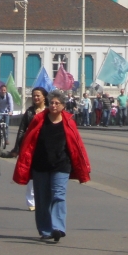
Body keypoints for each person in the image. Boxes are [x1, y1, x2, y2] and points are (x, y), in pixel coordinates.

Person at [13, 89, 90, 242]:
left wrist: (81, 166)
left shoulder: (68, 122)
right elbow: (29, 139)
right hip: (40, 164)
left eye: (57, 103)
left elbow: (77, 145)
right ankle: (46, 230)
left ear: (63, 106)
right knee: (42, 200)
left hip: (61, 165)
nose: (53, 105)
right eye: (52, 103)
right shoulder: (39, 119)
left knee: (58, 195)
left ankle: (58, 228)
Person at [12, 86, 48, 211]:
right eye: (34, 96)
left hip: (47, 147)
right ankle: (31, 201)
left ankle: (44, 200)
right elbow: (22, 129)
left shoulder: (49, 111)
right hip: (32, 147)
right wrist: (17, 147)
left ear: (44, 97)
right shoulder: (30, 112)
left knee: (46, 174)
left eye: (38, 95)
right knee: (33, 174)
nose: (36, 98)